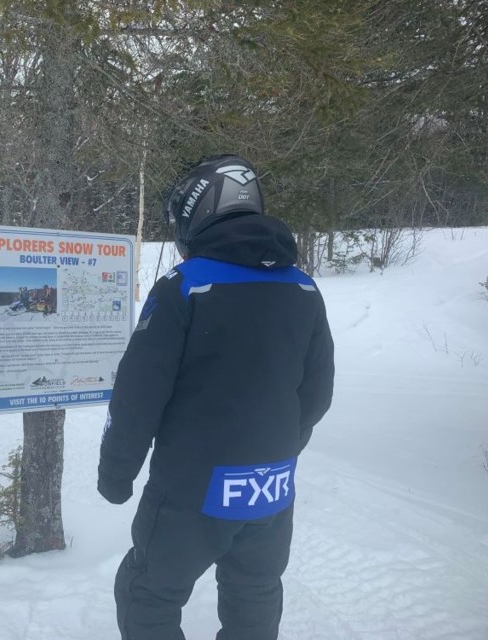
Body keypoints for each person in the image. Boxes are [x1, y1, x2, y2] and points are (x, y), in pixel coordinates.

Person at [97, 154, 335, 640]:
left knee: (148, 591)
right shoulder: (304, 288)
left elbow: (136, 397)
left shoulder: (184, 285)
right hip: (271, 485)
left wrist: (116, 474)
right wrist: (275, 448)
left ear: (195, 214)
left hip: (191, 488)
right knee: (256, 590)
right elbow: (317, 394)